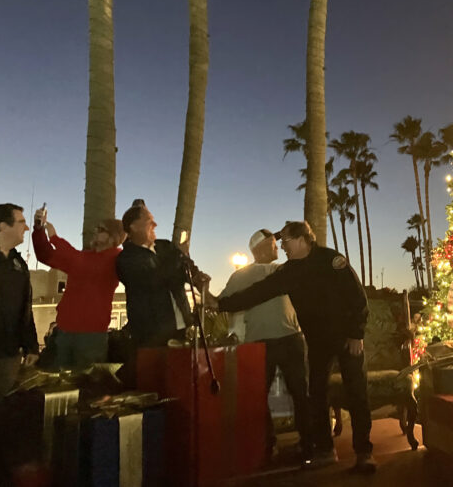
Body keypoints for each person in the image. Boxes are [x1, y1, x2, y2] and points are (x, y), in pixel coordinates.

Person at [214, 221, 375, 474]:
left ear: (302, 239)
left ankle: (364, 452)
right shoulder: (289, 272)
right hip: (318, 342)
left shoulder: (331, 260)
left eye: (286, 241)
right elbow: (259, 292)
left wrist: (356, 334)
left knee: (356, 392)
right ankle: (324, 450)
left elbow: (357, 297)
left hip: (346, 338)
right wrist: (221, 304)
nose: (283, 246)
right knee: (316, 394)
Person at [214, 228, 310, 464]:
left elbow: (220, 303)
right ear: (259, 249)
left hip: (290, 339)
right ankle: (271, 444)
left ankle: (303, 444)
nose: (278, 247)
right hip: (265, 343)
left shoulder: (284, 271)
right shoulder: (242, 275)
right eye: (273, 244)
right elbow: (220, 302)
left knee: (296, 394)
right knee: (264, 395)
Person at [32, 209, 125, 369]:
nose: (95, 232)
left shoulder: (116, 258)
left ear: (113, 237)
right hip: (64, 333)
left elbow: (79, 261)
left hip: (91, 337)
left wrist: (54, 238)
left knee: (85, 384)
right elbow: (45, 255)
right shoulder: (84, 258)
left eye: (100, 230)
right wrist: (39, 230)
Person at [116, 202, 209, 348]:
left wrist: (197, 276)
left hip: (182, 327)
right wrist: (177, 257)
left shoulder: (164, 246)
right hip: (151, 334)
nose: (155, 224)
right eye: (149, 221)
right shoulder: (126, 258)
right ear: (133, 227)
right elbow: (151, 280)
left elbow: (185, 267)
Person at [0, 204, 38, 404]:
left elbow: (25, 308)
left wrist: (31, 345)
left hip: (8, 355)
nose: (26, 229)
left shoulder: (18, 263)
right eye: (21, 223)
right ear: (3, 226)